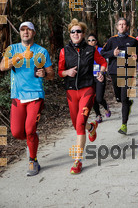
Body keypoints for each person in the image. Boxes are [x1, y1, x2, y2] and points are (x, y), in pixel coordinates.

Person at [0, 21, 54, 176]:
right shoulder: (12, 49)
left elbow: (51, 74)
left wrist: (45, 74)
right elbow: (2, 66)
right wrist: (19, 57)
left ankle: (33, 160)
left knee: (29, 130)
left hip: (35, 95)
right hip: (17, 96)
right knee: (17, 132)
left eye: (29, 30)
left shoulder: (41, 51)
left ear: (34, 33)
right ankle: (32, 138)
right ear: (19, 33)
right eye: (22, 30)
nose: (25, 32)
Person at [58, 19, 107, 174]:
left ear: (83, 34)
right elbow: (60, 71)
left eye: (79, 31)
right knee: (76, 124)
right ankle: (91, 127)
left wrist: (101, 73)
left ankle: (77, 161)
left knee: (79, 123)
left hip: (87, 89)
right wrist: (67, 72)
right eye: (73, 31)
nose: (76, 34)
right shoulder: (64, 51)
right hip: (71, 91)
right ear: (70, 34)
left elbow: (103, 62)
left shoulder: (91, 50)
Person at [101, 17, 138, 135]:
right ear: (117, 27)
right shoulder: (111, 40)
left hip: (128, 72)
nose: (122, 26)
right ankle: (127, 103)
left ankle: (124, 125)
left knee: (124, 99)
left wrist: (137, 57)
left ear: (127, 27)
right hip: (114, 71)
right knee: (119, 98)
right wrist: (112, 53)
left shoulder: (133, 40)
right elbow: (102, 53)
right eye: (120, 24)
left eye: (124, 24)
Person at [87, 33, 111, 123]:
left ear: (96, 41)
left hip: (100, 76)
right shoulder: (86, 51)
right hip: (89, 78)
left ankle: (106, 107)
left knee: (99, 98)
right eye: (89, 40)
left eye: (93, 40)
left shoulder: (101, 50)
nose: (91, 42)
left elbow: (105, 62)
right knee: (93, 98)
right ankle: (98, 115)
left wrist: (103, 72)